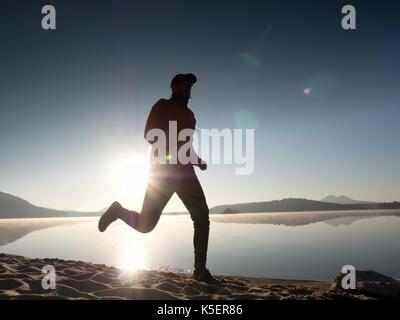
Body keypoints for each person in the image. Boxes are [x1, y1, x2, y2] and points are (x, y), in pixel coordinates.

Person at [98, 73, 220, 285]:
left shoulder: (191, 116)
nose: (187, 87)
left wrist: (197, 160)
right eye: (183, 84)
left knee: (202, 217)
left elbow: (187, 146)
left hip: (185, 173)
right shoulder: (162, 105)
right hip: (161, 172)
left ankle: (200, 270)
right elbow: (149, 134)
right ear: (173, 87)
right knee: (146, 225)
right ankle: (117, 210)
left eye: (190, 85)